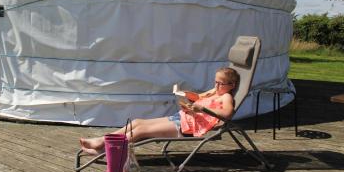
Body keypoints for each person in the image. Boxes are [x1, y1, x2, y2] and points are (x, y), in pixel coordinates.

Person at [80, 67, 239, 155]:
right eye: (216, 82)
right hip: (182, 117)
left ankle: (108, 151)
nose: (217, 86)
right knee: (137, 122)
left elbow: (227, 114)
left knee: (141, 131)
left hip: (187, 128)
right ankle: (102, 141)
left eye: (221, 83)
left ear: (231, 85)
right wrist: (183, 93)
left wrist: (202, 108)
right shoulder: (215, 91)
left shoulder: (226, 97)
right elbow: (197, 96)